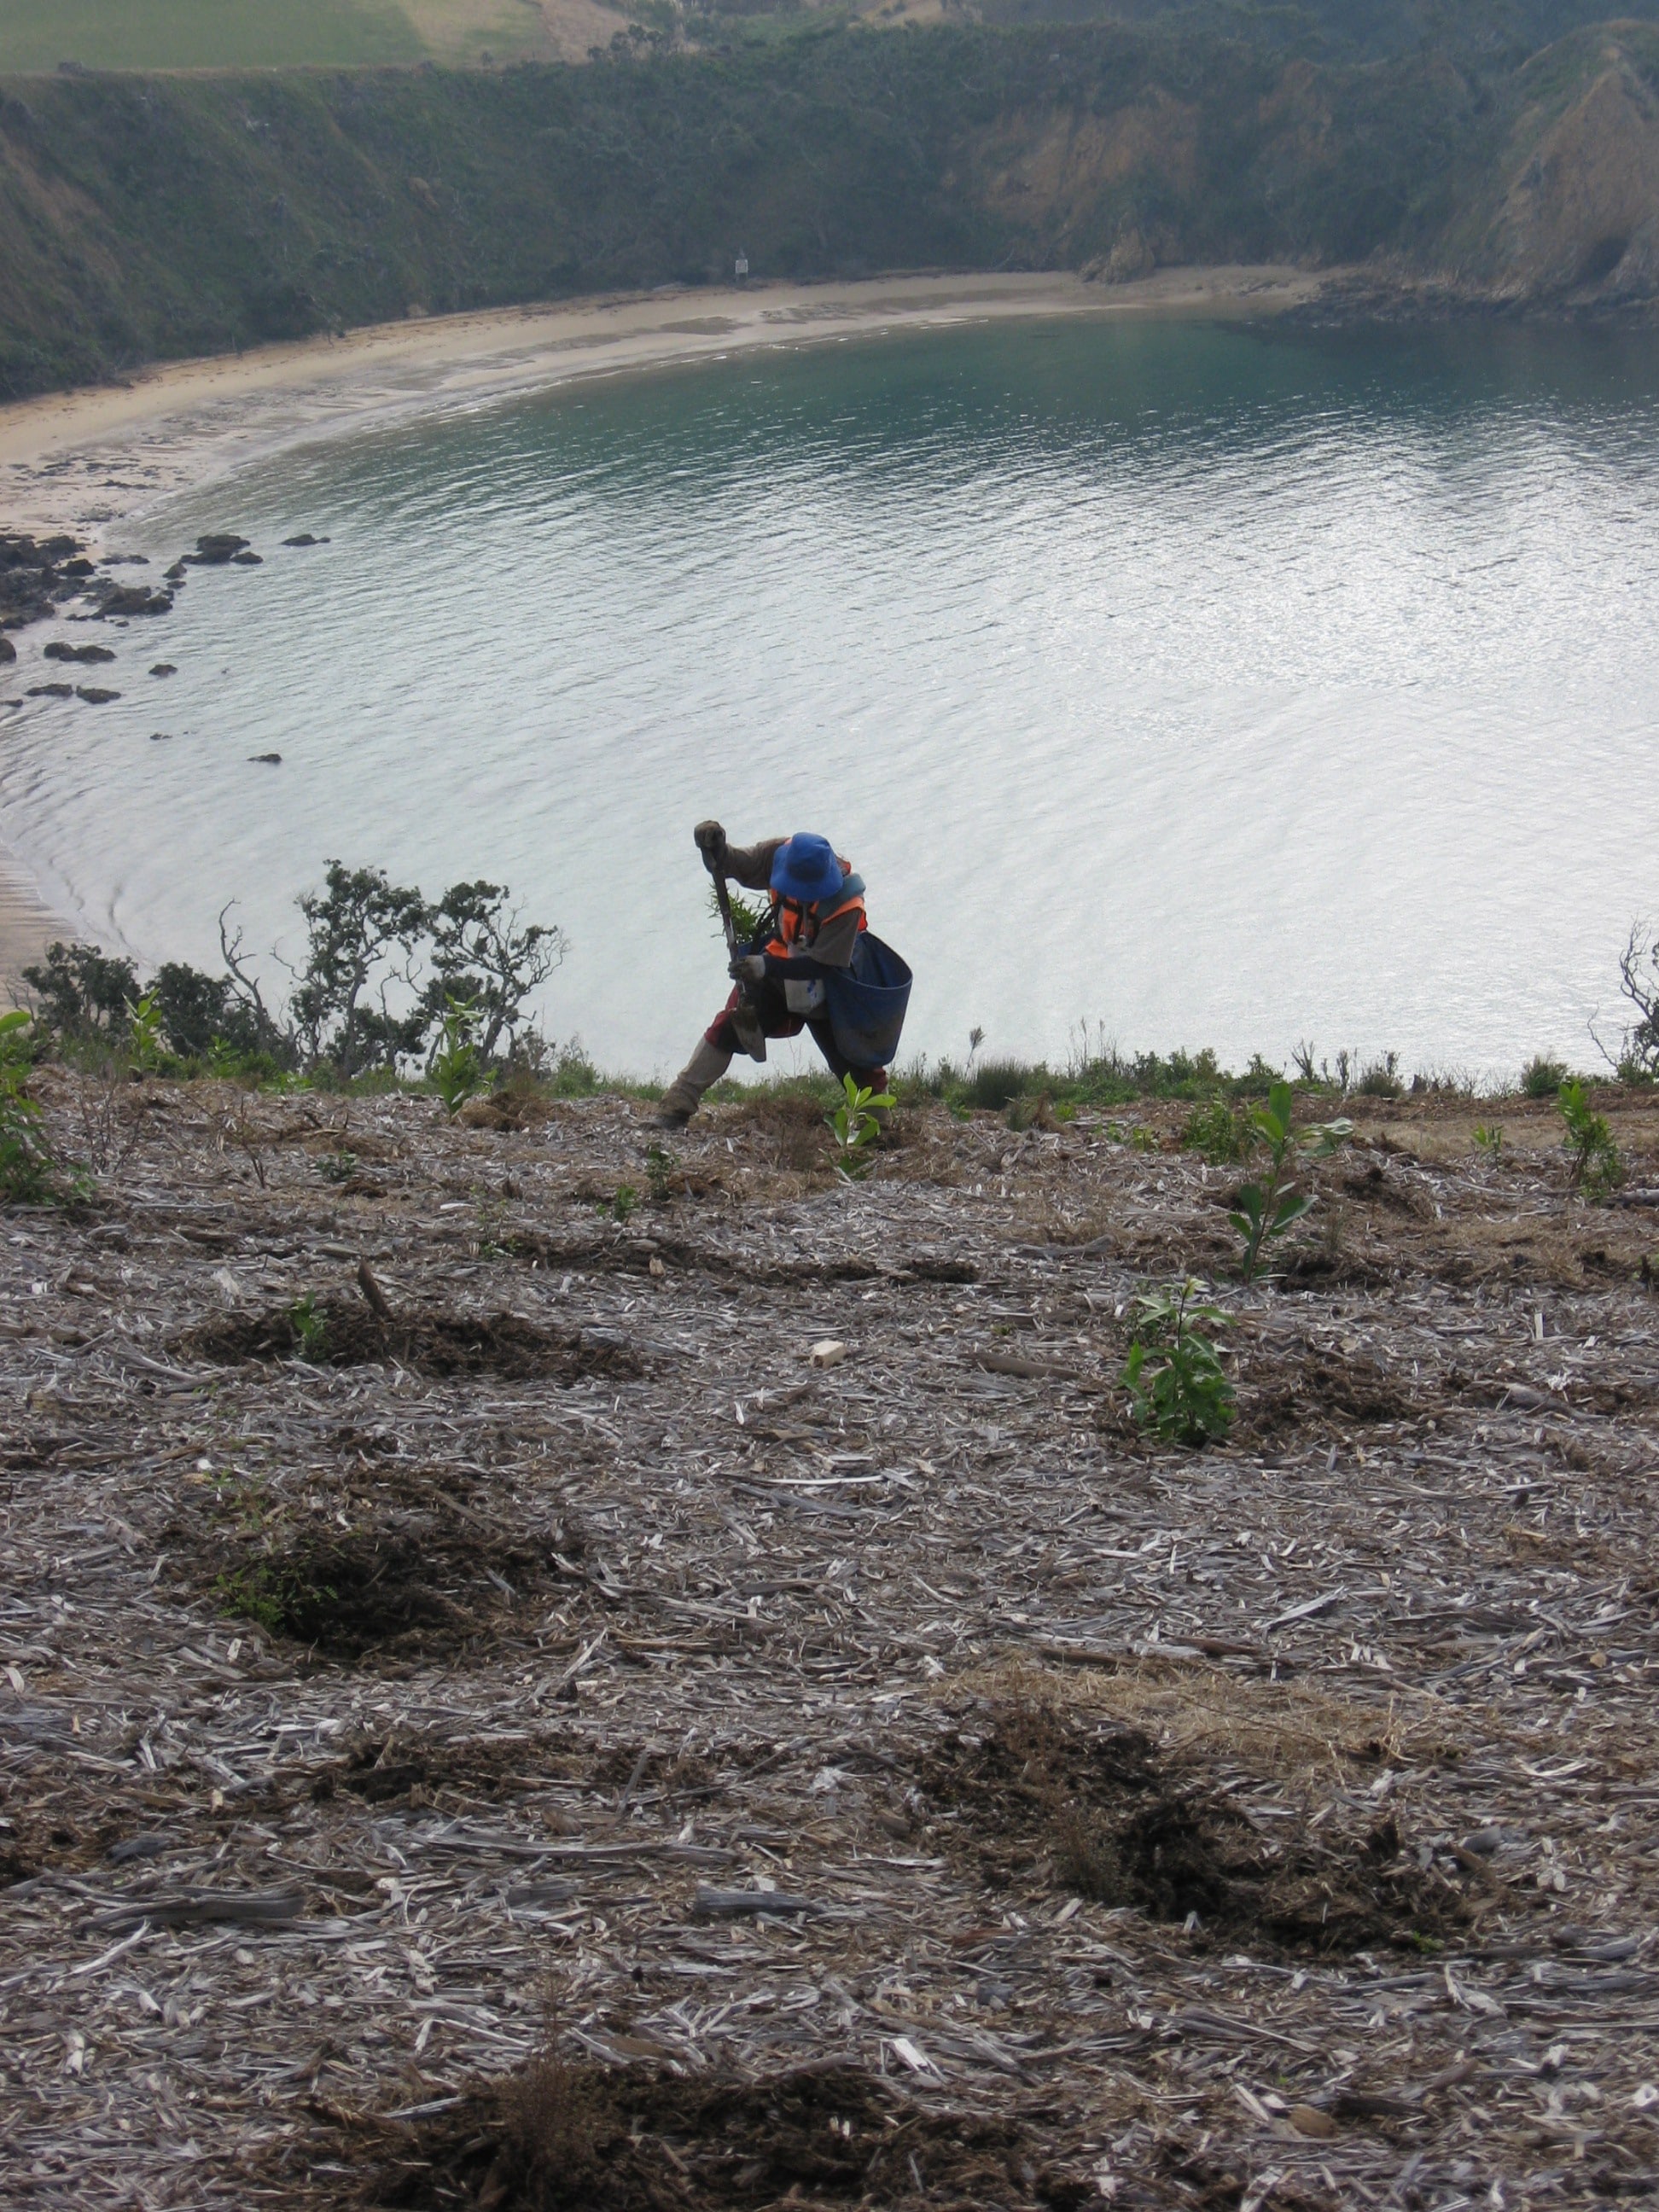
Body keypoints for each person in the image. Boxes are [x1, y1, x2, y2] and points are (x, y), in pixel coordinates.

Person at [656, 821, 888, 1127]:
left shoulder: (848, 904)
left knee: (852, 1058)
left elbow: (824, 964)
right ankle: (676, 1105)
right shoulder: (780, 855)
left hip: (832, 986)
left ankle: (878, 1126)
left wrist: (766, 966)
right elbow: (743, 865)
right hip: (778, 974)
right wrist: (719, 852)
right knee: (728, 1027)